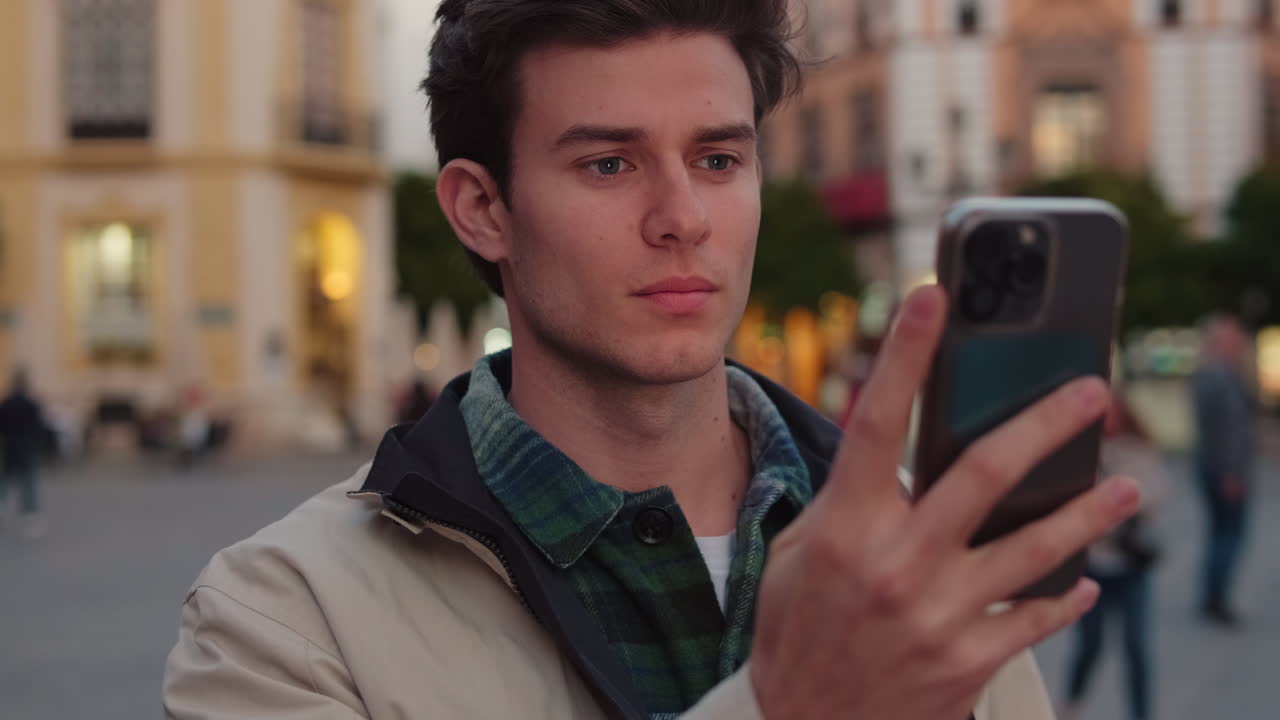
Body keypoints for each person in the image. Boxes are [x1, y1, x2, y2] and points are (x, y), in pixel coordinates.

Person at [162, 2, 1139, 717]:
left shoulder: (907, 550)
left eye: (718, 159)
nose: (682, 220)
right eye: (608, 164)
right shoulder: (283, 620)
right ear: (481, 208)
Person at [1063, 390, 1166, 720]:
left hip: (1130, 565)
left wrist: (1117, 508)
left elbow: (1152, 496)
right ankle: (1071, 706)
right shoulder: (1079, 455)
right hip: (1094, 563)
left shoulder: (1139, 451)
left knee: (1136, 646)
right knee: (1090, 644)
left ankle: (1141, 713)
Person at [1190, 314, 1257, 628]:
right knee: (1228, 535)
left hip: (1215, 466)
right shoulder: (1217, 376)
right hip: (1224, 469)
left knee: (1221, 533)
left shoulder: (1212, 374)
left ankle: (1213, 594)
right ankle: (1216, 597)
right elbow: (1228, 431)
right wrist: (1232, 472)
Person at [0, 369, 49, 538]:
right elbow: (38, 426)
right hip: (27, 445)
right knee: (28, 481)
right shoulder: (31, 403)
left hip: (9, 444)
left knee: (5, 479)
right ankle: (29, 515)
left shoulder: (6, 402)